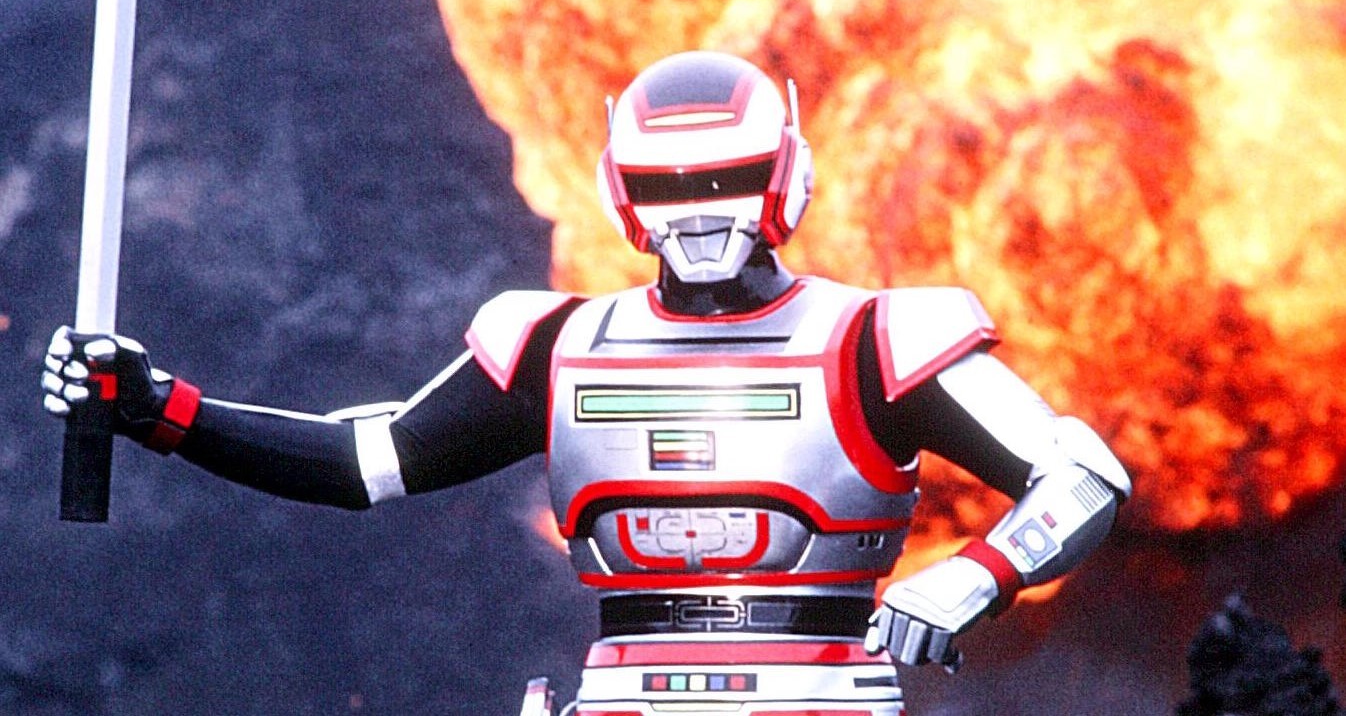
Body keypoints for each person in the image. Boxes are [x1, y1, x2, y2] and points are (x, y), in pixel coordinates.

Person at [42, 51, 1131, 715]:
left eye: (725, 181)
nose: (699, 215)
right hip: (621, 694)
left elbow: (1082, 473)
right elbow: (362, 459)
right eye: (670, 187)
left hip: (821, 691)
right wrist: (162, 408)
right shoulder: (557, 344)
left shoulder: (877, 338)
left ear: (781, 175)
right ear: (623, 193)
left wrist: (975, 577)